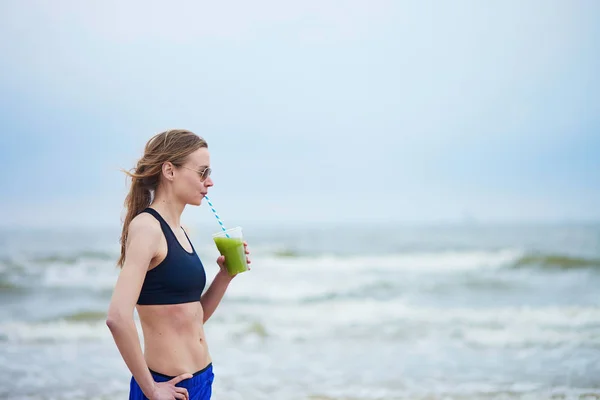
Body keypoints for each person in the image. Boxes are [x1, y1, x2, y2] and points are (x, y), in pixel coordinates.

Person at [106, 129, 251, 400]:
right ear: (169, 171)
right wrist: (151, 389)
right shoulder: (147, 228)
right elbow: (117, 317)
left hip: (200, 381)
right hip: (167, 387)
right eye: (202, 172)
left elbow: (192, 319)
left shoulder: (180, 229)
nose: (209, 182)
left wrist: (225, 275)